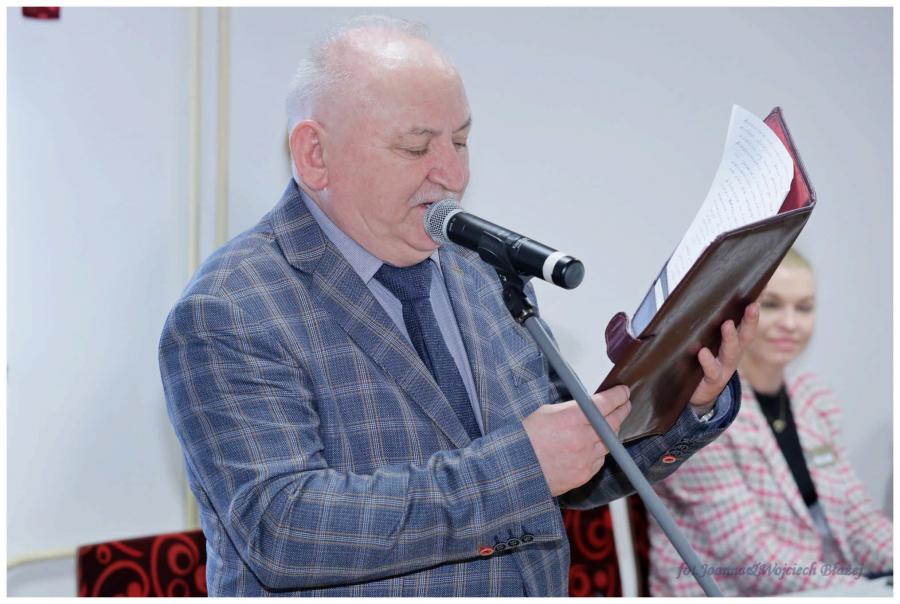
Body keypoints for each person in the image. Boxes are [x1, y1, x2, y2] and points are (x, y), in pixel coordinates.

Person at [159, 15, 758, 596]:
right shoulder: (230, 308)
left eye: (462, 141)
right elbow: (285, 529)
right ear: (315, 154)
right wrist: (521, 467)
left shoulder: (479, 269)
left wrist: (685, 396)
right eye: (415, 146)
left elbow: (573, 466)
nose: (452, 174)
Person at [648, 248, 893, 596]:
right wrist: (864, 591)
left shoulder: (814, 399)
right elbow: (749, 554)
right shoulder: (700, 412)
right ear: (733, 315)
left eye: (804, 308)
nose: (790, 323)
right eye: (773, 305)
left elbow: (856, 517)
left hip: (820, 587)